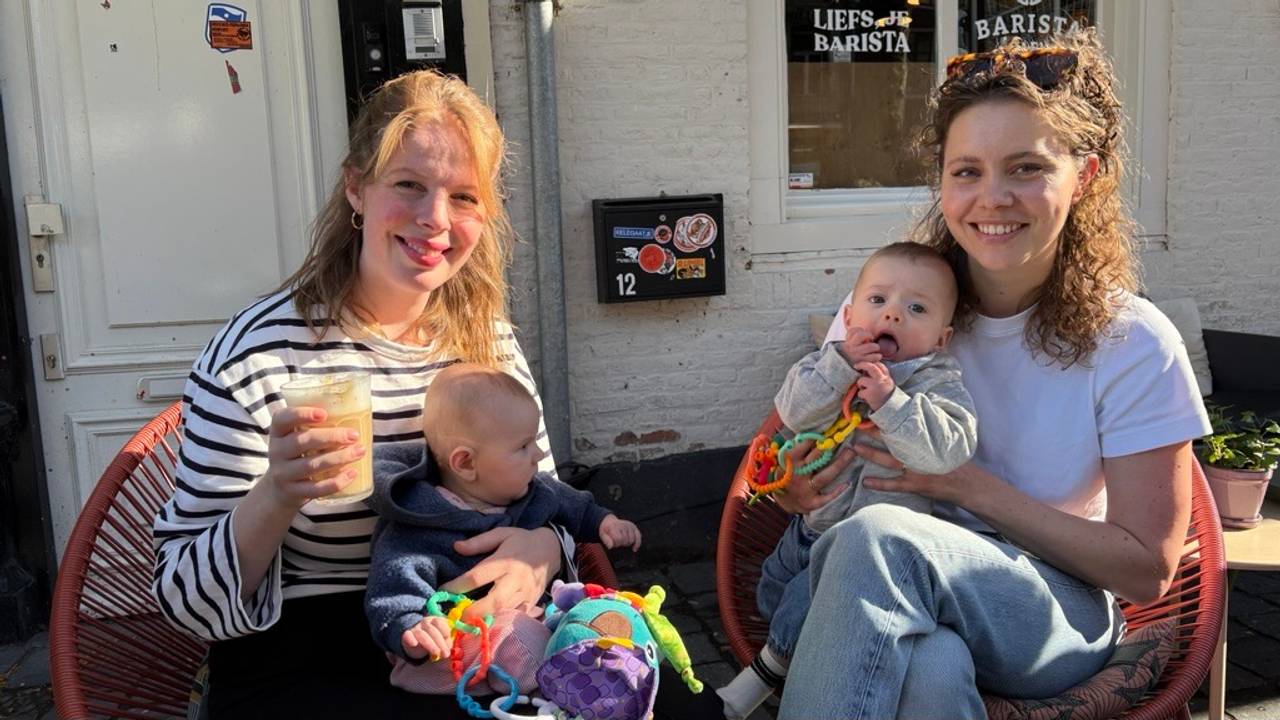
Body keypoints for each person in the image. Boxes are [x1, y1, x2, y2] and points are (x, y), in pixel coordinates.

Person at [148, 70, 721, 720]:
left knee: (678, 709)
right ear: (355, 188)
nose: (435, 220)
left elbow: (542, 493)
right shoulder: (259, 355)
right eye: (409, 186)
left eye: (464, 197)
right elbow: (185, 602)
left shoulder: (485, 339)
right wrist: (276, 494)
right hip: (307, 639)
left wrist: (543, 550)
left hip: (477, 624)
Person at [772, 31, 1211, 719]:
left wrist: (965, 486)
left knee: (876, 539)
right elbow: (803, 441)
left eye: (1026, 168)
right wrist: (797, 486)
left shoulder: (1134, 343)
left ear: (1085, 176)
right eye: (967, 170)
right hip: (888, 591)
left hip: (1050, 605)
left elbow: (1146, 568)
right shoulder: (892, 310)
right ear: (941, 180)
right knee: (931, 668)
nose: (992, 197)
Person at [718, 242, 977, 719]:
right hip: (804, 535)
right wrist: (837, 369)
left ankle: (768, 671)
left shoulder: (934, 381)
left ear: (941, 339)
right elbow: (792, 413)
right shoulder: (825, 363)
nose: (893, 315)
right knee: (777, 600)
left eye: (916, 308)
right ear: (849, 313)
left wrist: (892, 404)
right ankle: (800, 661)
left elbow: (949, 450)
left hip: (872, 559)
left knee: (823, 604)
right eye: (878, 301)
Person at [364, 362, 641, 696]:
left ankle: (599, 666)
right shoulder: (420, 523)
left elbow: (574, 506)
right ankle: (566, 685)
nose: (537, 454)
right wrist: (413, 629)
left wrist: (605, 522)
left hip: (532, 620)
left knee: (609, 612)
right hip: (455, 647)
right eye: (523, 446)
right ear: (465, 463)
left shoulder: (532, 491)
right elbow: (391, 589)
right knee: (520, 635)